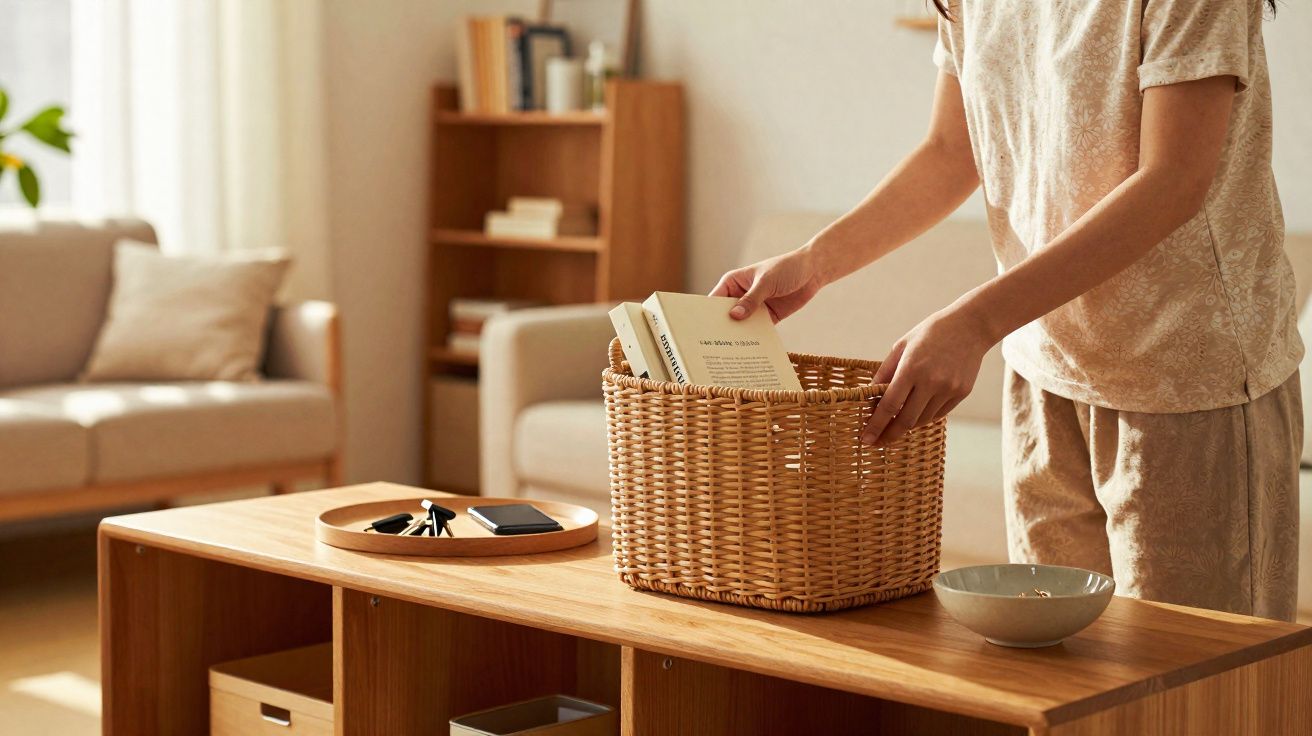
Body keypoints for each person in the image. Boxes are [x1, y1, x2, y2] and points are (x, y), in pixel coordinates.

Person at [712, 0, 1301, 621]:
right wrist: (816, 260)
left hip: (1186, 385)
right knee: (1061, 680)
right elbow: (949, 150)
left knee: (1195, 696)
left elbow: (1173, 180)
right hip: (1041, 373)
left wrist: (975, 322)